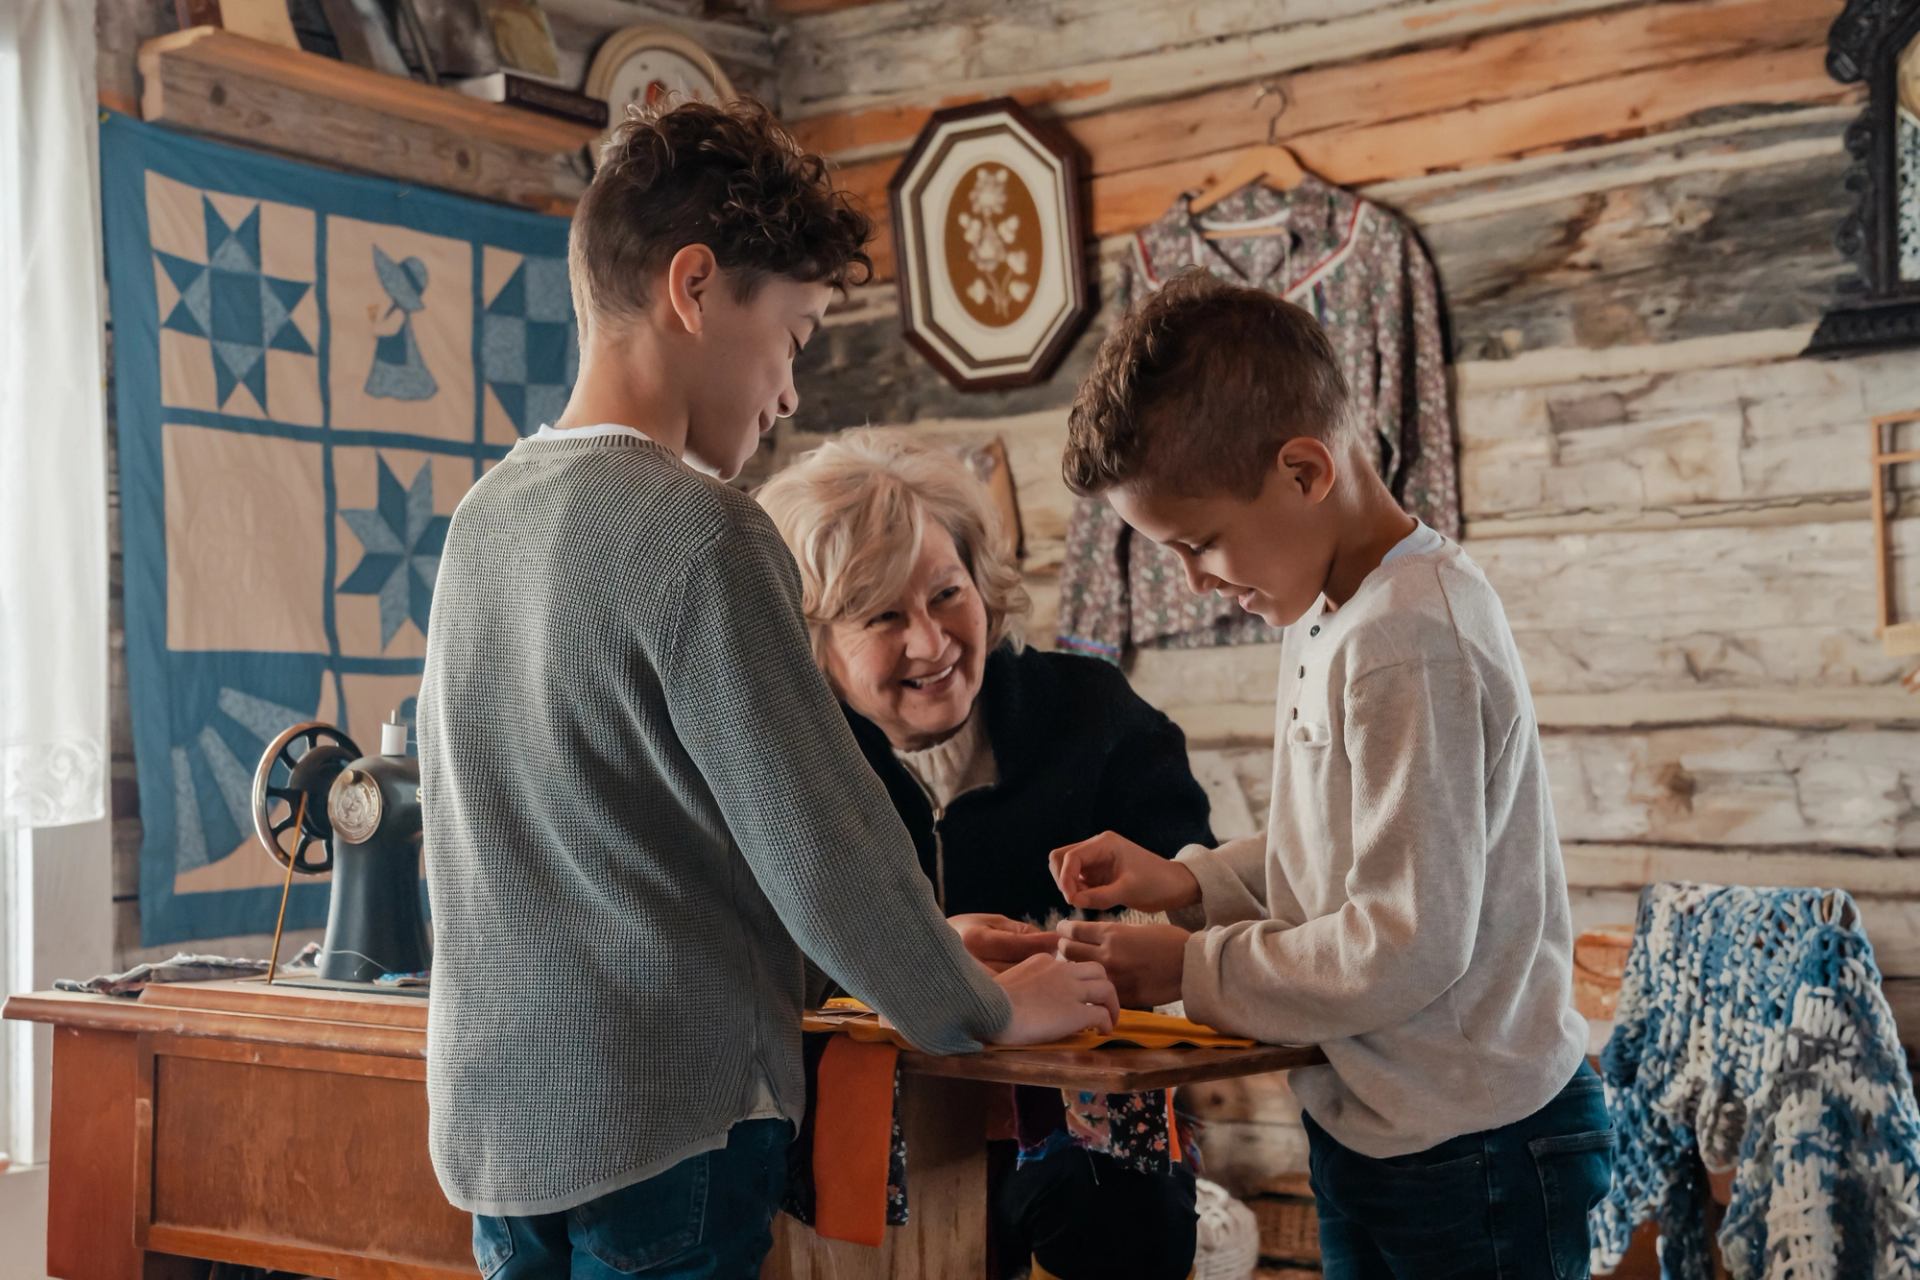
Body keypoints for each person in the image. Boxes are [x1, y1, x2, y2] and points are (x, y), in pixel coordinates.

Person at [415, 99, 1118, 1280]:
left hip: (501, 1130)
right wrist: (983, 1007)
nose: (792, 392)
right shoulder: (706, 532)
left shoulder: (483, 522)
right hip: (669, 1122)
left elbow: (611, 848)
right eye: (793, 336)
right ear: (695, 289)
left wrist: (920, 948)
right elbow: (822, 843)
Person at [1046, 270, 1611, 1279]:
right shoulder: (1335, 610)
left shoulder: (1405, 639)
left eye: (1201, 542)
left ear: (1306, 469)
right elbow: (1348, 851)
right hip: (1385, 1126)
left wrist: (1189, 968)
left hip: (1472, 1141)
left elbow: (1403, 940)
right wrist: (1190, 884)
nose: (1197, 582)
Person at [757, 432, 1214, 1280]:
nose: (930, 644)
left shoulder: (1092, 716)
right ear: (813, 641)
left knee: (1128, 1229)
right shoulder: (788, 766)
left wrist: (1103, 944)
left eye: (946, 594)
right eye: (883, 616)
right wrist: (938, 965)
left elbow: (1195, 894)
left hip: (1081, 1138)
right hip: (869, 1144)